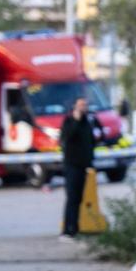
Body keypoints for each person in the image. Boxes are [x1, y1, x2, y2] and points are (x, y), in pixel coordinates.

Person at [58, 96, 102, 238]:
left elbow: (93, 140)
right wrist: (76, 120)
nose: (84, 107)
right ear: (75, 107)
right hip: (71, 165)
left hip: (84, 166)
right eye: (81, 105)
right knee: (71, 198)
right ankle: (66, 231)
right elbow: (67, 138)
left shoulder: (88, 122)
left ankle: (75, 229)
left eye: (86, 105)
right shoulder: (69, 121)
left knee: (78, 199)